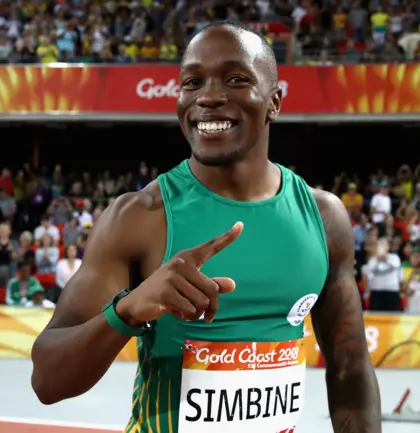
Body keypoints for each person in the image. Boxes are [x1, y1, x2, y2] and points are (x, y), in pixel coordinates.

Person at [31, 22, 380, 433]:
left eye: (235, 79)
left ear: (274, 102)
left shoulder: (323, 217)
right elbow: (48, 380)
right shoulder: (140, 216)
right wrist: (127, 310)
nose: (209, 96)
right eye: (192, 82)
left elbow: (350, 371)